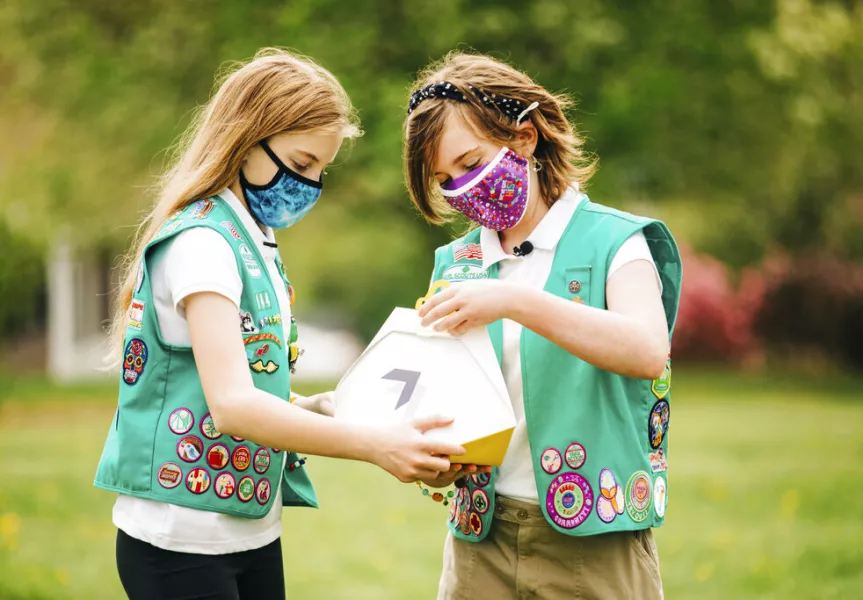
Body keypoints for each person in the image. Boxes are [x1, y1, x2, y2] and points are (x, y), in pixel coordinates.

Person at [95, 48, 465, 600]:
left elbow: (248, 386)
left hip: (251, 530)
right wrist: (372, 445)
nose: (309, 184)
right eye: (300, 163)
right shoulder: (202, 244)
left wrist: (327, 406)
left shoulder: (254, 241)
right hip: (179, 543)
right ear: (247, 139)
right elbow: (233, 405)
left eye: (320, 169)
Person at [405, 52, 682, 599]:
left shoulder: (616, 242)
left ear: (525, 138)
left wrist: (514, 300)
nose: (461, 187)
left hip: (595, 541)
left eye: (470, 161)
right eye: (445, 179)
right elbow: (444, 399)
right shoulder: (454, 264)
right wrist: (438, 461)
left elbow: (648, 350)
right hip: (478, 541)